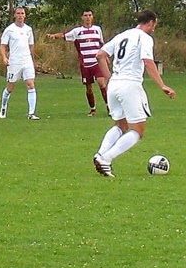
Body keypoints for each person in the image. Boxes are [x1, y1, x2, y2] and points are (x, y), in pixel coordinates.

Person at [92, 9, 176, 177]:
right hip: (130, 84)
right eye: (155, 25)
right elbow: (147, 61)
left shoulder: (122, 35)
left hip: (115, 84)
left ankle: (100, 154)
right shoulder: (145, 38)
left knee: (121, 126)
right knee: (137, 130)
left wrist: (110, 79)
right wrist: (162, 85)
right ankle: (106, 158)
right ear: (151, 23)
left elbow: (100, 55)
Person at [46, 9, 107, 116]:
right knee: (89, 88)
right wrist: (54, 36)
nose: (88, 17)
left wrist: (105, 57)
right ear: (82, 17)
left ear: (92, 17)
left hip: (97, 63)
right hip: (85, 64)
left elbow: (101, 44)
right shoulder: (77, 31)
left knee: (102, 84)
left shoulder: (97, 29)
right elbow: (64, 35)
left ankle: (109, 107)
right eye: (85, 15)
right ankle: (93, 109)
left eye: (89, 15)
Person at [0, 6, 39, 120]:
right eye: (18, 13)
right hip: (15, 61)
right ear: (15, 15)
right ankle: (3, 107)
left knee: (31, 84)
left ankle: (31, 113)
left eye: (22, 13)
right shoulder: (10, 30)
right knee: (11, 87)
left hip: (26, 60)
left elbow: (31, 45)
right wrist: (4, 57)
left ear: (25, 15)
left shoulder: (28, 29)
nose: (20, 15)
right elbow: (2, 46)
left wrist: (32, 59)